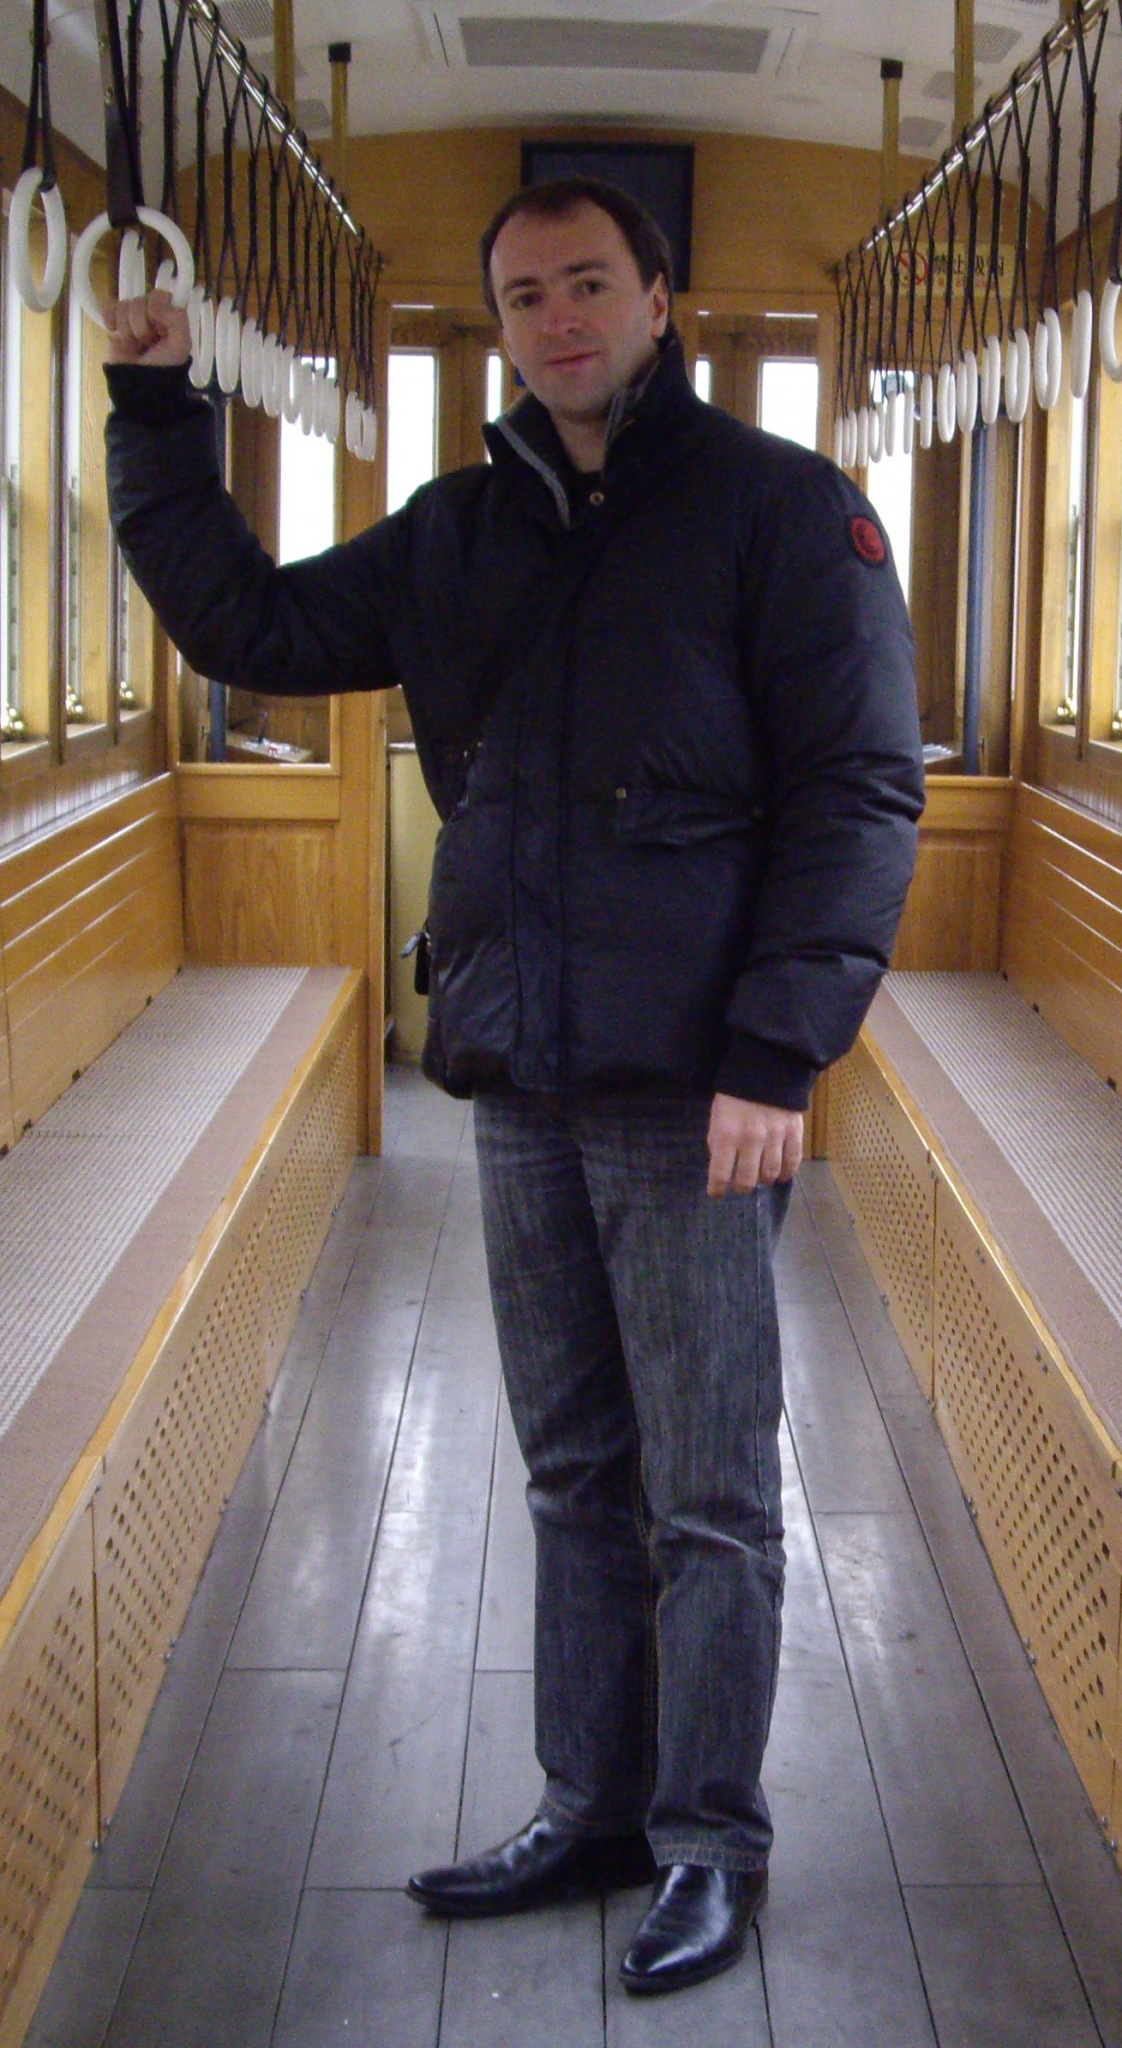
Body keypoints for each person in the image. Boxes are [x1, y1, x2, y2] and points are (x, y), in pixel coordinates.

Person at [103, 176, 924, 1996]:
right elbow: (253, 628)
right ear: (500, 326)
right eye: (524, 294)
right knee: (570, 1472)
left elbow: (861, 792)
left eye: (587, 283)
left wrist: (776, 1050)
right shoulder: (458, 531)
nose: (557, 318)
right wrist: (155, 410)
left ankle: (708, 1837)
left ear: (658, 299)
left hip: (695, 1081)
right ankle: (593, 1806)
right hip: (519, 1070)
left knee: (705, 1490)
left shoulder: (785, 513)